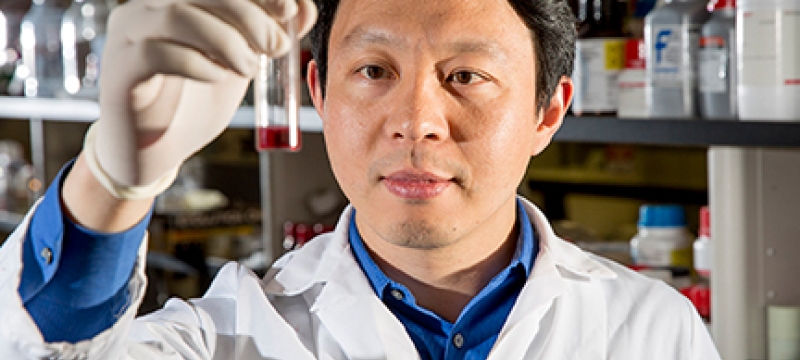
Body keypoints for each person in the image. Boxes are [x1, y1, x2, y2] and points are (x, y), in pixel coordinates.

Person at [0, 0, 722, 358]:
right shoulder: (229, 337)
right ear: (316, 91)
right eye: (373, 72)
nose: (416, 121)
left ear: (548, 111)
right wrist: (115, 178)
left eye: (465, 76)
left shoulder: (651, 332)